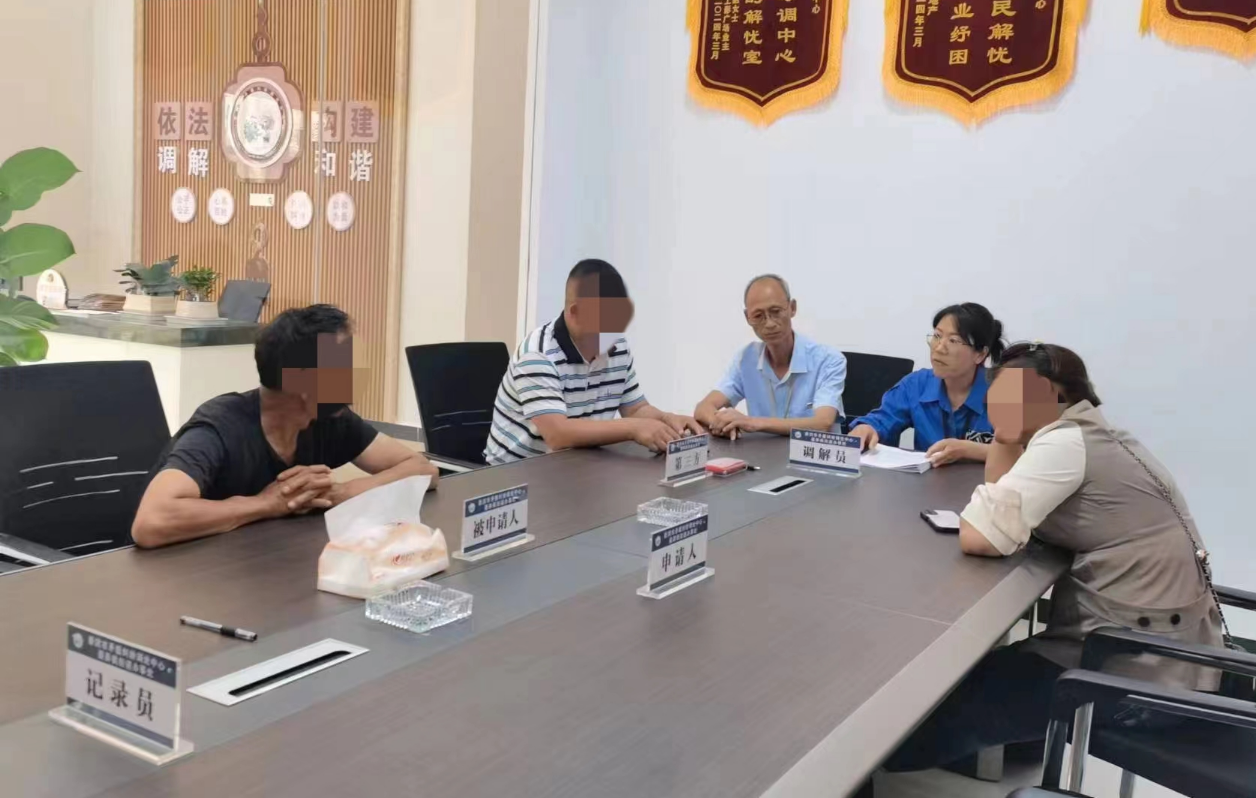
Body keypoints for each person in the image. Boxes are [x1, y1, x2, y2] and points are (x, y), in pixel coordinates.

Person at [883, 343, 1224, 773]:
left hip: (1132, 673)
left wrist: (1004, 436)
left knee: (927, 704)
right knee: (963, 679)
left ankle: (861, 772)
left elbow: (981, 536)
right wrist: (1006, 435)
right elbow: (1006, 495)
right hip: (1177, 655)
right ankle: (1008, 740)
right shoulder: (1097, 433)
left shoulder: (1064, 444)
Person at [131, 305, 438, 548]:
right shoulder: (219, 428)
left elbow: (423, 469)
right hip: (186, 578)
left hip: (267, 563)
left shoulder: (330, 419)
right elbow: (151, 522)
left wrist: (342, 492)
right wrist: (265, 504)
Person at [484, 259, 703, 465]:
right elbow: (558, 435)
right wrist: (634, 428)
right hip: (516, 476)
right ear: (575, 313)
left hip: (580, 467)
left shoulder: (617, 347)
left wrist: (666, 419)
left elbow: (636, 409)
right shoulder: (538, 354)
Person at [847, 303, 1003, 466]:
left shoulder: (1005, 391)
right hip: (927, 480)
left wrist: (972, 450)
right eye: (937, 336)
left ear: (980, 354)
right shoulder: (917, 384)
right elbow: (883, 419)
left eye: (953, 340)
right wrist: (867, 428)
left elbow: (1021, 452)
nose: (939, 348)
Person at [693, 274, 846, 437]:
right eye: (758, 316)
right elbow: (703, 408)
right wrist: (722, 424)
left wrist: (752, 422)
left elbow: (822, 423)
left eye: (776, 312)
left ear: (792, 308)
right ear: (747, 317)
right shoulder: (746, 359)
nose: (769, 323)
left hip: (810, 452)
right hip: (762, 452)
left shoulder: (828, 360)